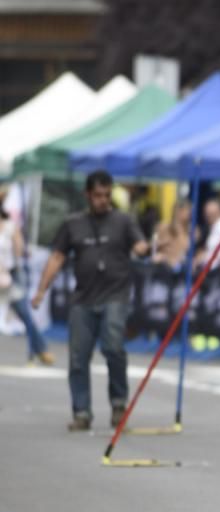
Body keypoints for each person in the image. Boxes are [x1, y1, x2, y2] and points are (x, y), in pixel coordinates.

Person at [31, 170, 150, 431]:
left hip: (115, 294)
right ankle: (82, 412)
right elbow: (57, 258)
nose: (103, 200)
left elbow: (141, 244)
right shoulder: (72, 223)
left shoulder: (123, 221)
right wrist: (41, 290)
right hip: (83, 298)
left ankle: (119, 404)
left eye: (107, 195)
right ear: (87, 195)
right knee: (78, 357)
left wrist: (143, 248)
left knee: (113, 346)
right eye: (98, 195)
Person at [0, 205, 54, 364]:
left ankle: (40, 349)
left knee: (24, 313)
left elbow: (19, 251)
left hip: (10, 275)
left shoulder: (10, 226)